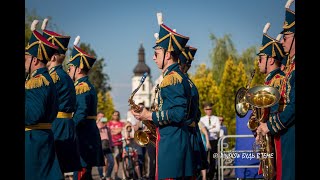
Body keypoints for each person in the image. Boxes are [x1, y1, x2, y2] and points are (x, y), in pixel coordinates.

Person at [131, 12, 193, 179]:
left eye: (156, 53)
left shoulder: (172, 79)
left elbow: (178, 113)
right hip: (169, 140)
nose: (153, 57)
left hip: (172, 143)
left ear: (167, 54)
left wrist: (148, 115)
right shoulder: (171, 78)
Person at [256, 1, 295, 180]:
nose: (283, 42)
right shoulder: (289, 70)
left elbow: (291, 107)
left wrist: (269, 126)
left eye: (287, 37)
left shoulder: (285, 74)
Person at [41, 18, 82, 176]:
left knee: (54, 167)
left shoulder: (54, 77)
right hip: (64, 124)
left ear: (52, 57)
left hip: (57, 125)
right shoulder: (63, 75)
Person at [25, 19, 64, 180]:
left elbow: (32, 115)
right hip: (40, 138)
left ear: (34, 60)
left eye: (25, 59)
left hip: (34, 141)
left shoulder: (37, 82)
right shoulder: (43, 79)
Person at [67, 36, 105, 180]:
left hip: (84, 137)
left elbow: (81, 113)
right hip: (85, 135)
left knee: (81, 174)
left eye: (70, 67)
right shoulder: (82, 86)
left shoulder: (82, 87)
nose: (68, 70)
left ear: (79, 68)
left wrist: (68, 129)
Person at [178, 45, 208, 179]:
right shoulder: (189, 83)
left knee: (185, 173)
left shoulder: (183, 84)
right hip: (190, 131)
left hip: (186, 133)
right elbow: (198, 113)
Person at [199, 103, 221, 180]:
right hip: (205, 141)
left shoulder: (215, 118)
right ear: (204, 110)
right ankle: (204, 175)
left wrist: (207, 129)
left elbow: (218, 129)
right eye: (207, 109)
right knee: (204, 158)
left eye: (210, 109)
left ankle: (211, 176)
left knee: (213, 159)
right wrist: (212, 127)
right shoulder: (202, 119)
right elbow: (201, 130)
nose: (209, 111)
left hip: (214, 140)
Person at [107, 110, 125, 180]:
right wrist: (116, 130)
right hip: (110, 144)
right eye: (114, 115)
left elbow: (118, 131)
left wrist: (115, 131)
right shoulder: (109, 123)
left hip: (118, 143)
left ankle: (115, 175)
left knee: (116, 160)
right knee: (110, 160)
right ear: (112, 115)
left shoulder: (121, 123)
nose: (116, 116)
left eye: (117, 115)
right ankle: (107, 175)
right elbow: (110, 132)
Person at [96, 112, 114, 180]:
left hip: (107, 145)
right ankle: (101, 177)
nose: (102, 118)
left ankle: (108, 175)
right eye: (100, 116)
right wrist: (98, 121)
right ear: (97, 117)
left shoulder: (107, 127)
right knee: (100, 162)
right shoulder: (95, 125)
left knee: (112, 162)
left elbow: (110, 137)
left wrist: (112, 145)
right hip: (99, 145)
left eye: (103, 116)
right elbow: (96, 128)